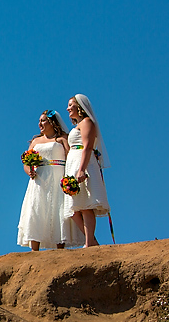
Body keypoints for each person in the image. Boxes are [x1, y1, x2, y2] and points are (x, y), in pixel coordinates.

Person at [18, 110, 85, 250]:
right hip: (39, 179)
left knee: (57, 209)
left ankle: (60, 246)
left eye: (43, 120)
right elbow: (26, 162)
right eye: (39, 121)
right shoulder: (36, 141)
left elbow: (70, 157)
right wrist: (29, 171)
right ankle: (34, 248)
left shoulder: (61, 139)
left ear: (52, 122)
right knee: (36, 208)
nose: (40, 124)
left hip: (58, 177)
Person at [63, 94, 111, 247]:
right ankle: (93, 242)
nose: (68, 108)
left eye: (71, 105)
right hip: (72, 163)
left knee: (85, 205)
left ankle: (89, 242)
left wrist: (82, 169)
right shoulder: (77, 125)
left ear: (80, 106)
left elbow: (88, 146)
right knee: (74, 208)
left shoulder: (87, 122)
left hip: (82, 163)